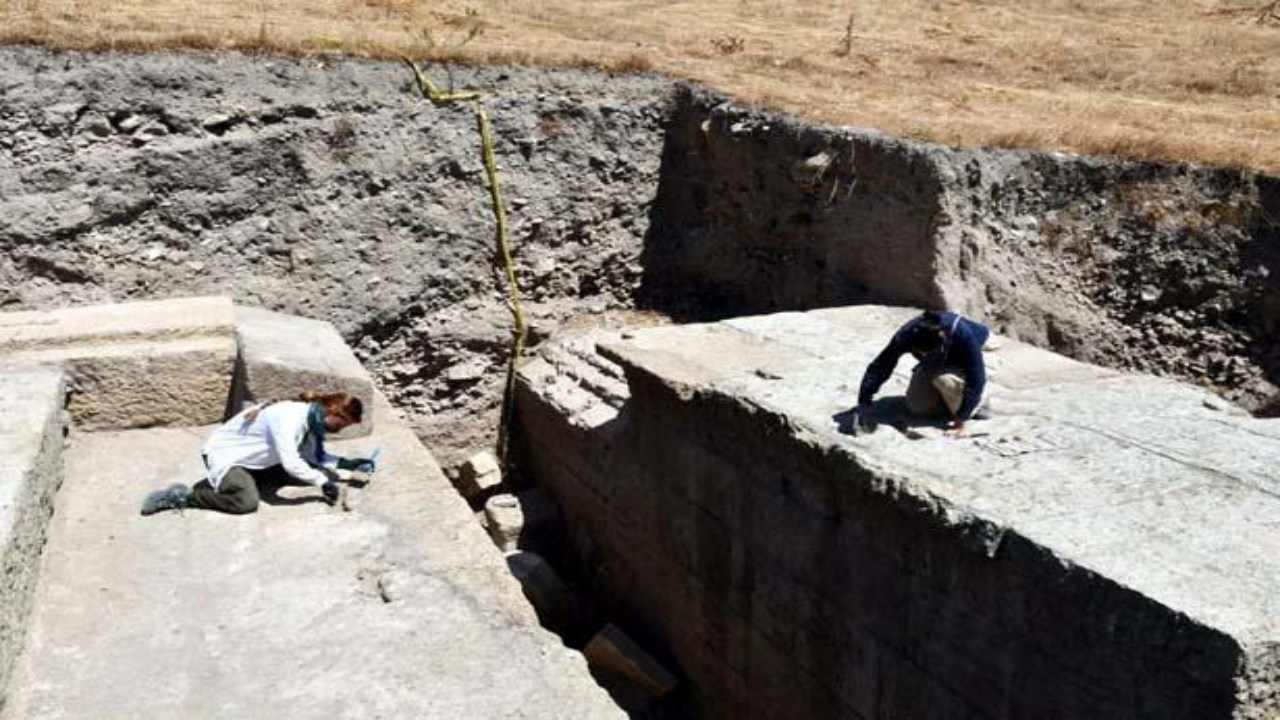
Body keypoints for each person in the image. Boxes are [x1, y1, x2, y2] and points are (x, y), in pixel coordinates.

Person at [140, 391, 376, 516]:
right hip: (229, 457)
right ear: (334, 412)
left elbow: (315, 457)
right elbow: (292, 460)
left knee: (311, 471)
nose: (340, 430)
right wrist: (322, 482)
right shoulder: (289, 417)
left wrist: (351, 464)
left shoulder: (312, 421)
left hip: (259, 462)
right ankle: (182, 497)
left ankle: (254, 479)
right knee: (245, 502)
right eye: (342, 424)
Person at [855, 310, 991, 436]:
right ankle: (953, 402)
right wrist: (864, 400)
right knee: (917, 407)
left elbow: (976, 377)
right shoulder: (906, 334)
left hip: (961, 359)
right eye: (920, 352)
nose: (923, 354)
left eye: (928, 352)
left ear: (942, 335)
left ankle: (978, 402)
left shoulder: (962, 334)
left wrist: (960, 421)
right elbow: (882, 364)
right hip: (935, 362)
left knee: (945, 380)